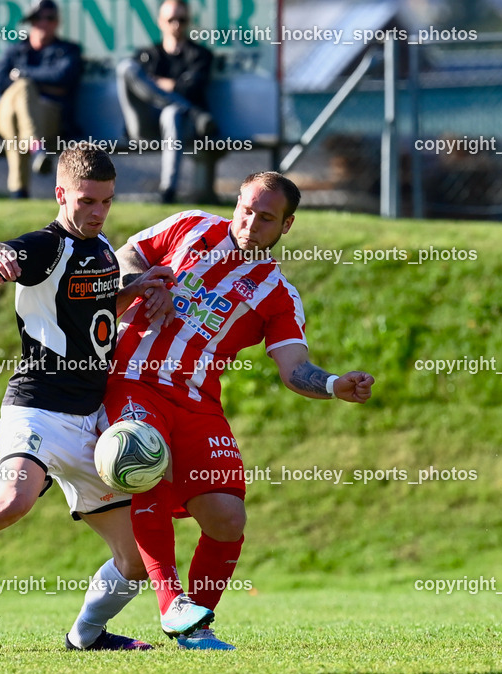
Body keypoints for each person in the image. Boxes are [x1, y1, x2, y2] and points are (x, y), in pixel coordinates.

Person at [0, 145, 206, 651]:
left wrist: (138, 287)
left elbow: (93, 307)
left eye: (106, 201)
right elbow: (0, 247)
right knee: (12, 502)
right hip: (37, 405)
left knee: (133, 559)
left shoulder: (100, 249)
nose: (97, 212)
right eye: (86, 201)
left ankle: (87, 635)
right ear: (61, 195)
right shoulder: (47, 246)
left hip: (90, 422)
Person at [106, 171, 375, 649]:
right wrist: (145, 284)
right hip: (132, 378)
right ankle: (173, 606)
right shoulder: (189, 226)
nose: (250, 223)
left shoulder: (277, 294)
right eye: (247, 209)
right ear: (236, 201)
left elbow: (294, 369)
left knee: (228, 519)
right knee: (145, 463)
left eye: (266, 217)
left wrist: (335, 385)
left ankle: (197, 626)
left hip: (196, 399)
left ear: (286, 226)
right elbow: (127, 253)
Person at [115, 0, 215, 204]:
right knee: (126, 68)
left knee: (172, 113)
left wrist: (157, 85)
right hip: (145, 125)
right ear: (161, 22)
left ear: (188, 22)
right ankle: (192, 112)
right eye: (171, 19)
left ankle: (168, 190)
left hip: (182, 128)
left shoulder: (201, 55)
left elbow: (193, 86)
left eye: (182, 19)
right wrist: (172, 87)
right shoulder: (146, 56)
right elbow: (135, 83)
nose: (176, 24)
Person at [0, 0, 82, 199]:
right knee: (22, 92)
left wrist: (23, 74)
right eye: (37, 18)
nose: (43, 23)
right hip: (6, 114)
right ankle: (36, 147)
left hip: (50, 118)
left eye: (49, 18)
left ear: (57, 22)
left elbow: (64, 78)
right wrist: (40, 84)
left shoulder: (68, 50)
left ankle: (18, 192)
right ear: (30, 21)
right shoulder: (14, 50)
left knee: (18, 121)